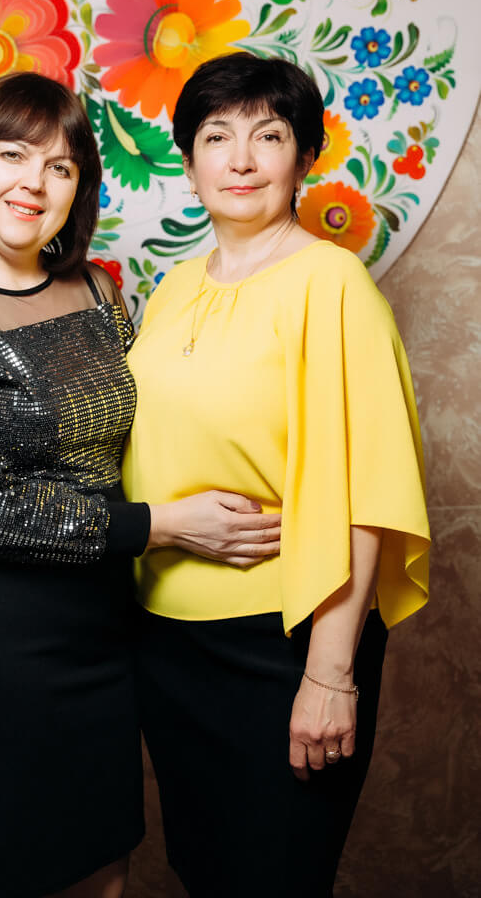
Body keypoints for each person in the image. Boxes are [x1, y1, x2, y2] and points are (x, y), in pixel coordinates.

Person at [0, 72, 281, 898]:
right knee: (5, 875)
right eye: (12, 155)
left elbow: (154, 432)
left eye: (59, 166)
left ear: (78, 189)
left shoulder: (96, 289)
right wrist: (163, 525)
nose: (34, 181)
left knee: (103, 869)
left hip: (103, 633)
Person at [122, 52, 430, 897]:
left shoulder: (332, 282)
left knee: (274, 878)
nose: (241, 159)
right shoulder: (172, 289)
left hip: (281, 639)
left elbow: (368, 490)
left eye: (268, 135)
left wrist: (330, 674)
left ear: (304, 157)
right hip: (167, 640)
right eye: (216, 137)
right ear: (189, 163)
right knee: (204, 872)